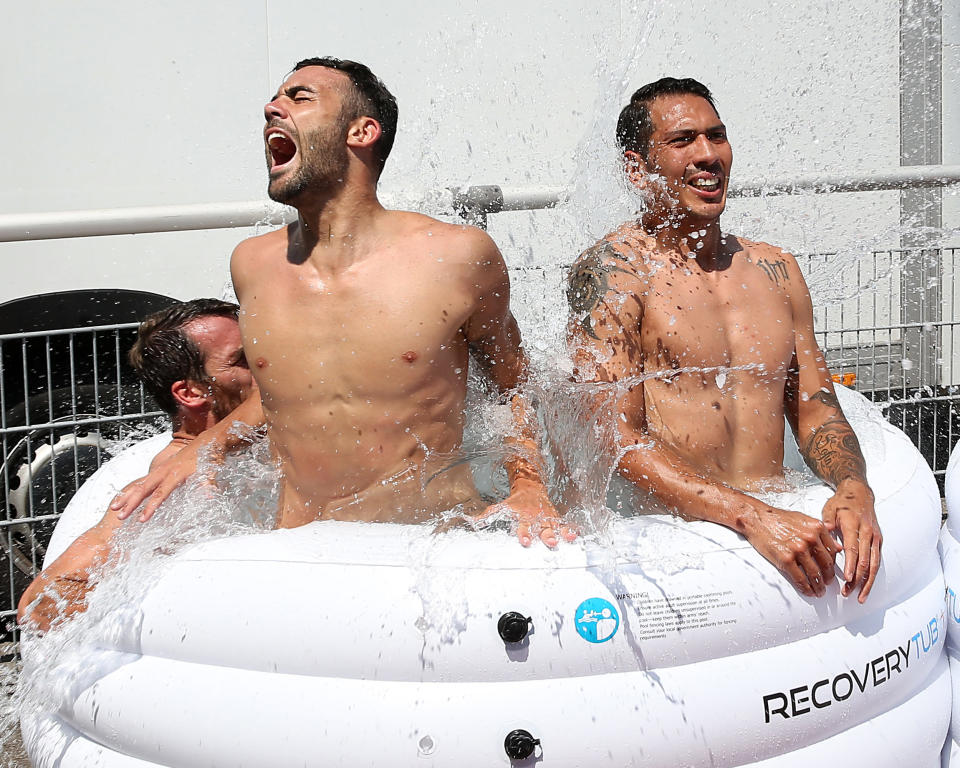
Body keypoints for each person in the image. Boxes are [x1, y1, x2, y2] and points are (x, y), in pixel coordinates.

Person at [110, 58, 571, 548]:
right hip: (302, 549)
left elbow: (512, 386)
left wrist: (528, 485)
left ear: (362, 131)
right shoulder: (252, 264)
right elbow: (278, 397)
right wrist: (197, 452)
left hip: (427, 548)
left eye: (299, 97)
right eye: (276, 98)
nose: (272, 108)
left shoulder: (457, 256)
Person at [566, 77, 881, 601]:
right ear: (636, 168)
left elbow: (816, 410)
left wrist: (854, 489)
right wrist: (751, 516)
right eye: (682, 140)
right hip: (678, 546)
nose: (707, 154)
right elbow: (614, 441)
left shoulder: (775, 269)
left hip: (780, 520)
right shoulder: (614, 274)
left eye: (717, 135)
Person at [18, 299, 255, 629]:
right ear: (190, 392)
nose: (266, 364)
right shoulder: (180, 473)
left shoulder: (239, 449)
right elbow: (41, 605)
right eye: (242, 359)